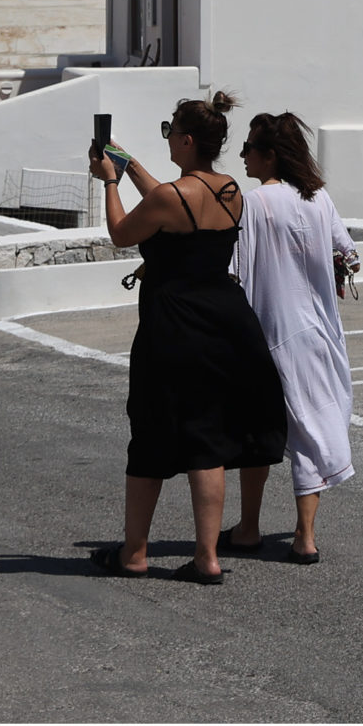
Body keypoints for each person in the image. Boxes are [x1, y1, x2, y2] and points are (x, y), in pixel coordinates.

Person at [88, 92, 286, 583]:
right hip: (225, 319)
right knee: (209, 438)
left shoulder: (170, 199)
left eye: (170, 131)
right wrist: (129, 162)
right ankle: (207, 556)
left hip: (174, 323)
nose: (168, 139)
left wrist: (110, 181)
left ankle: (134, 552)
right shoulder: (231, 189)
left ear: (188, 139)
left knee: (152, 429)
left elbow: (121, 232)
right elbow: (175, 203)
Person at [225, 111, 358, 564]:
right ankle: (304, 535)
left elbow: (234, 270)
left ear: (268, 156)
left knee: (259, 430)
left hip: (270, 332)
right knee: (312, 427)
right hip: (320, 332)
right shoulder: (319, 198)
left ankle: (248, 528)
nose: (242, 155)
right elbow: (350, 254)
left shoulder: (254, 203)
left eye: (248, 148)